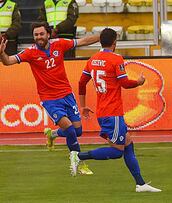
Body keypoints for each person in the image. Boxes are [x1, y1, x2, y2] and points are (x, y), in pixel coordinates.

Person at [0, 21, 99, 175]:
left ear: (48, 34)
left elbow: (83, 41)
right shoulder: (30, 52)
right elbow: (8, 62)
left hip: (67, 94)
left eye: (41, 34)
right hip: (50, 99)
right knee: (71, 130)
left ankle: (51, 134)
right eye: (36, 35)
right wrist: (1, 53)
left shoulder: (59, 44)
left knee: (78, 131)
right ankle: (79, 163)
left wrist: (103, 36)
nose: (39, 37)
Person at [73, 28, 161, 192]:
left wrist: (83, 105)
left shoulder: (92, 59)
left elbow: (81, 83)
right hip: (112, 112)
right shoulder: (116, 59)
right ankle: (78, 156)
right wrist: (139, 82)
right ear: (115, 42)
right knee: (117, 151)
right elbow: (125, 83)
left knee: (128, 143)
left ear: (101, 41)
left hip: (106, 111)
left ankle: (140, 184)